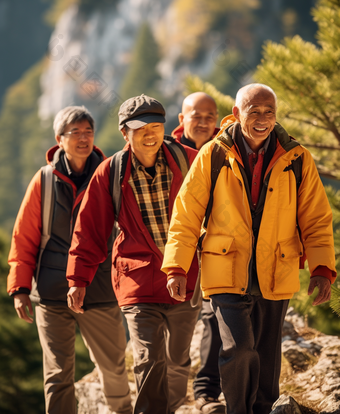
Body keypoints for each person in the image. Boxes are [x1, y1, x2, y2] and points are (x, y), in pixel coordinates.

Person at [162, 84, 336, 414]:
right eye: (254, 112)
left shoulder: (296, 158)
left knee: (267, 353)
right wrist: (176, 267)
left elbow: (315, 218)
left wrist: (322, 268)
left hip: (276, 268)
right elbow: (186, 214)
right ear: (237, 114)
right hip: (225, 269)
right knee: (239, 347)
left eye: (269, 112)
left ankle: (263, 408)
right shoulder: (212, 154)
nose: (262, 119)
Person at [66, 95, 200, 414]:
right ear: (125, 132)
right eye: (140, 128)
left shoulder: (191, 160)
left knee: (178, 359)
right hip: (137, 280)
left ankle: (172, 408)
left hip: (186, 277)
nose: (150, 133)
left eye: (156, 125)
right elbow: (90, 230)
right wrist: (77, 279)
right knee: (148, 359)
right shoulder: (110, 172)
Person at [7, 106, 132, 414]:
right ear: (59, 139)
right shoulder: (45, 181)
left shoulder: (110, 174)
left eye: (88, 132)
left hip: (100, 288)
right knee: (57, 374)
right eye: (74, 133)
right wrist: (20, 288)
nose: (83, 139)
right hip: (52, 291)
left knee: (113, 367)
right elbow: (25, 236)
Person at [172, 92, 225, 414]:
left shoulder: (228, 151)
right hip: (176, 250)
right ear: (182, 119)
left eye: (210, 115)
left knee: (214, 317)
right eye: (196, 115)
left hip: (217, 251)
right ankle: (169, 394)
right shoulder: (164, 152)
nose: (204, 122)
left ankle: (206, 392)